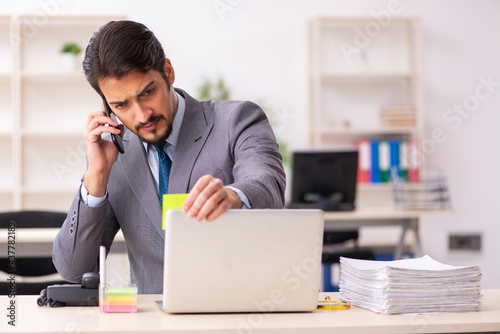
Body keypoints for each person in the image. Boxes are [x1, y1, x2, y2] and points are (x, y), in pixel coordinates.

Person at [52, 20, 286, 294]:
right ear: (106, 107)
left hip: (236, 313)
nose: (142, 115)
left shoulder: (237, 120)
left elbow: (267, 182)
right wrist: (96, 177)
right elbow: (72, 269)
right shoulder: (114, 157)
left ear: (168, 72)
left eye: (147, 92)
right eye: (121, 105)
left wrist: (233, 197)